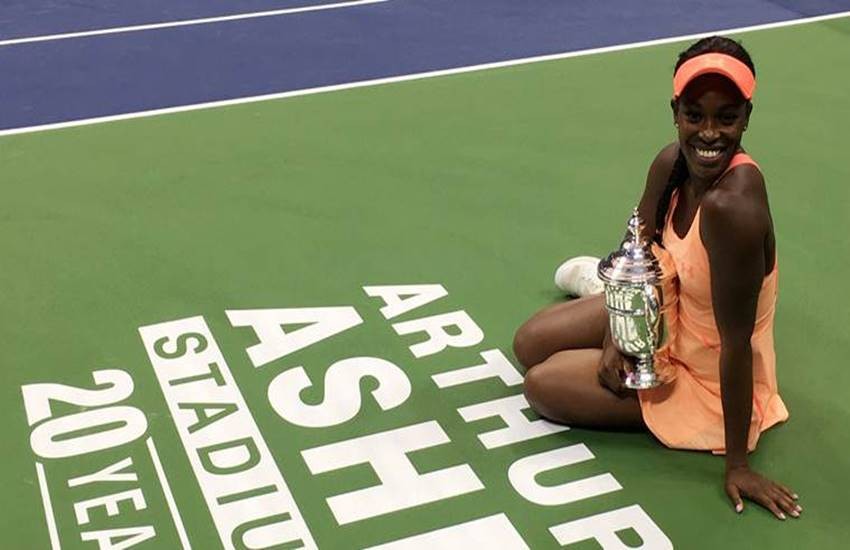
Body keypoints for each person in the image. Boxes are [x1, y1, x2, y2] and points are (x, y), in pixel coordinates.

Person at [513, 36, 802, 521]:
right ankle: (601, 293)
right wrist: (617, 336)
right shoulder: (670, 163)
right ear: (675, 112)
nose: (709, 133)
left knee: (543, 384)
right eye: (695, 115)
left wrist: (738, 466)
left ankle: (601, 299)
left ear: (747, 117)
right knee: (529, 342)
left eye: (726, 117)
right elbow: (637, 252)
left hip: (705, 381)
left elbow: (736, 345)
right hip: (664, 313)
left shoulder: (733, 210)